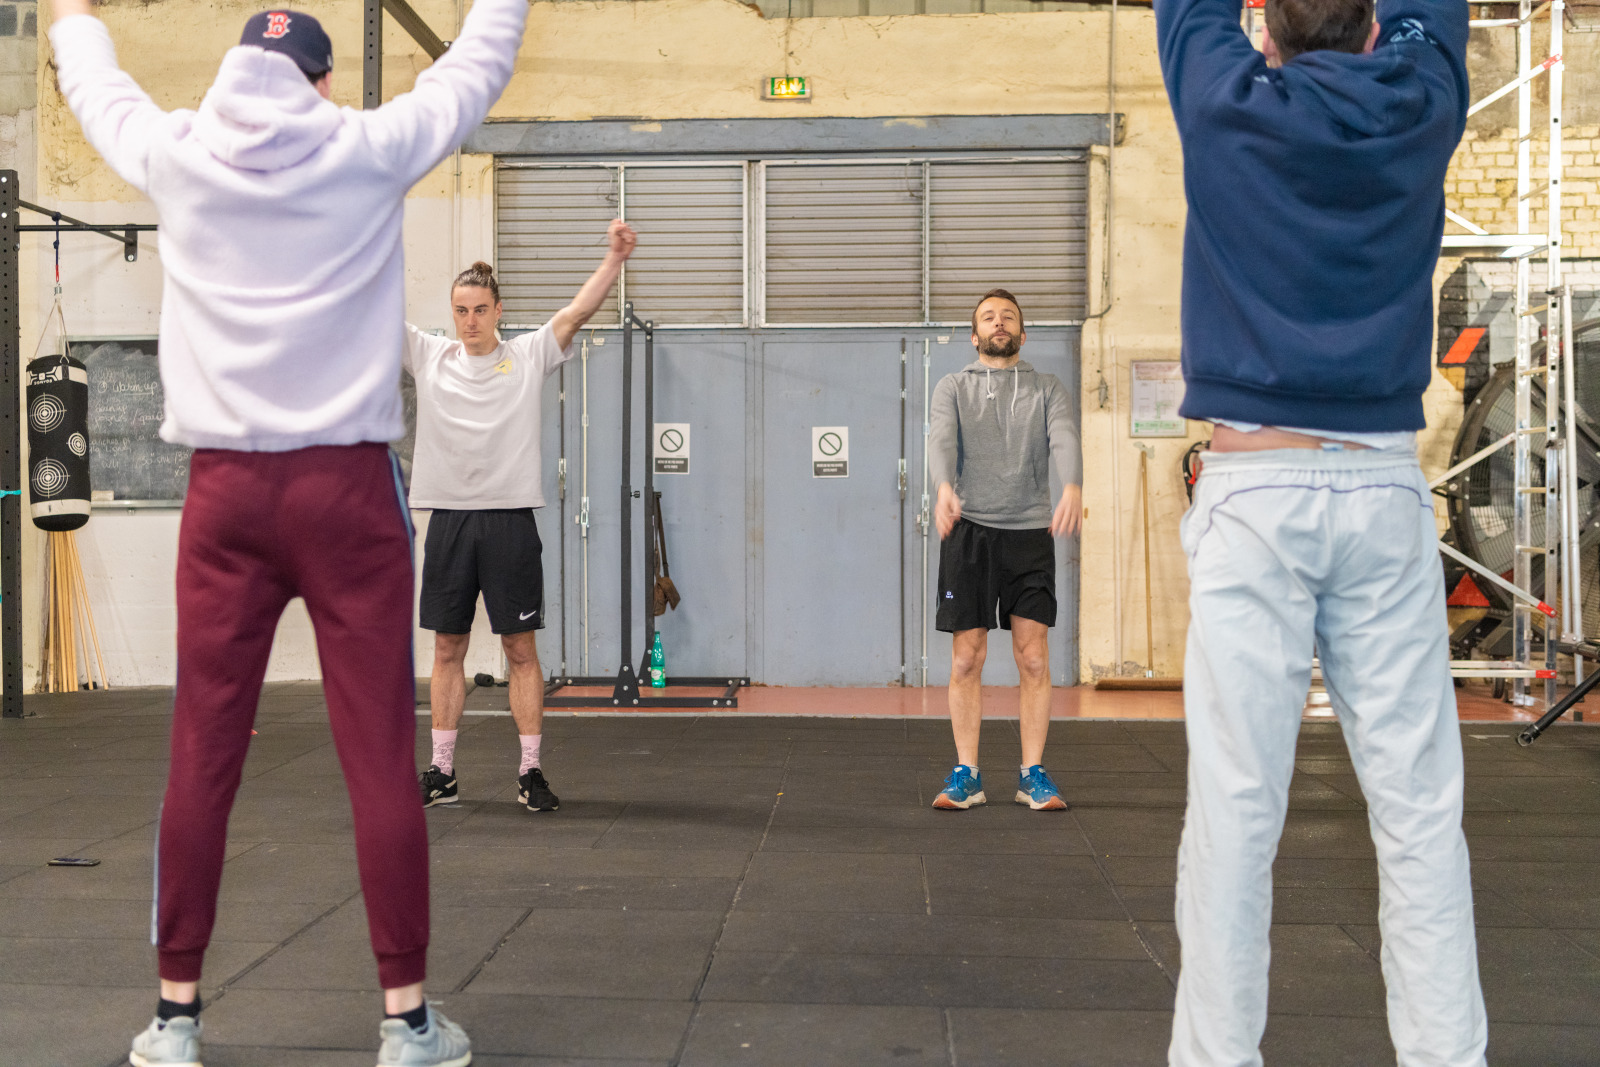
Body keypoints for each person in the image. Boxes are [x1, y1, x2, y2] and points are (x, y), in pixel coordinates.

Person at [48, 0, 530, 1063]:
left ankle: (174, 1018)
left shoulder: (178, 150)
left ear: (231, 78)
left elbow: (97, 89)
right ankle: (406, 1021)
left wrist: (72, 16)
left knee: (200, 752)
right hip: (346, 496)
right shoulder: (365, 148)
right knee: (377, 756)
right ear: (318, 84)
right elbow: (478, 62)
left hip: (223, 500)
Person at [1154, 0, 1485, 1060]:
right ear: (1374, 22)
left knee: (1234, 813)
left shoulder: (1220, 103)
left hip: (1255, 494)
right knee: (1419, 814)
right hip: (1381, 485)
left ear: (1264, 29)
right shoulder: (1419, 103)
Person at [411, 221, 637, 814]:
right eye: (460, 310)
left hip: (509, 522)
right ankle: (441, 771)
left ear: (498, 309)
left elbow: (576, 313)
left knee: (519, 650)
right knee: (447, 649)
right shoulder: (430, 356)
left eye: (480, 310)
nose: (469, 321)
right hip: (450, 523)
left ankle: (530, 772)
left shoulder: (529, 354)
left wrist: (614, 259)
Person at [928, 289, 1083, 812]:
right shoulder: (952, 387)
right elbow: (942, 440)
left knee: (1034, 657)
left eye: (1008, 317)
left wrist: (1072, 487)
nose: (999, 323)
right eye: (989, 318)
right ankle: (967, 773)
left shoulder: (1046, 388)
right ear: (975, 336)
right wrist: (944, 485)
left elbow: (1063, 435)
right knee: (966, 658)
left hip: (1029, 534)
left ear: (1022, 333)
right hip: (969, 533)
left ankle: (1032, 773)